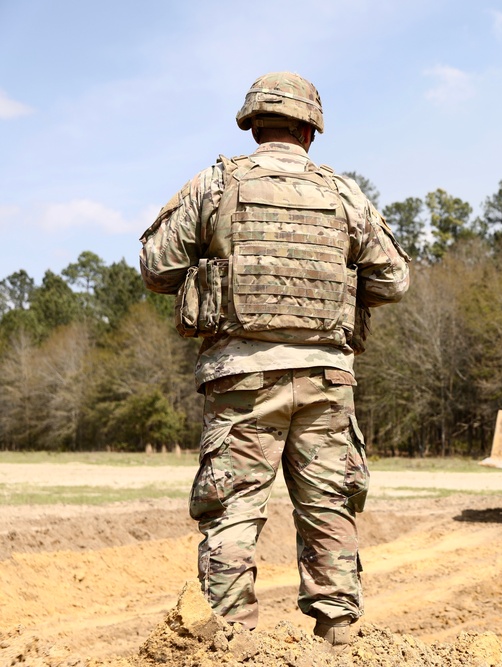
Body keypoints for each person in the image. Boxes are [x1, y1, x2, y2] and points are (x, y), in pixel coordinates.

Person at [139, 71, 409, 647]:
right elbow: (393, 279)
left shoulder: (214, 185)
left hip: (241, 378)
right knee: (328, 505)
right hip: (326, 378)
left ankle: (229, 644)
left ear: (254, 124)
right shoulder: (345, 193)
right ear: (310, 131)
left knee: (233, 510)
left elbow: (156, 267)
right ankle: (339, 637)